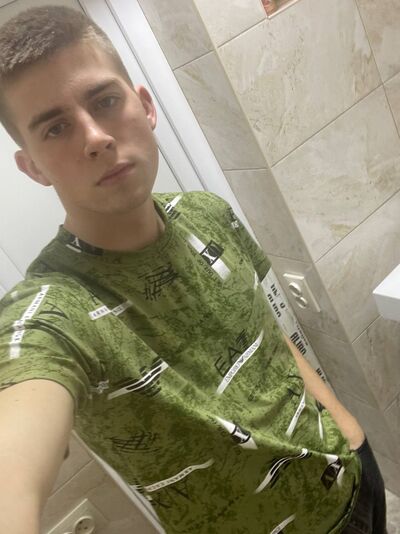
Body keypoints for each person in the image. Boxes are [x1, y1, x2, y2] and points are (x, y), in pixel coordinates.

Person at [0, 5, 387, 534]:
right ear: (33, 167)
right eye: (56, 128)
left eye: (105, 101)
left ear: (145, 107)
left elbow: (269, 337)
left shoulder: (208, 212)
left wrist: (348, 428)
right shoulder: (52, 313)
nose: (94, 138)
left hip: (353, 480)